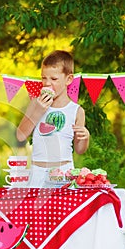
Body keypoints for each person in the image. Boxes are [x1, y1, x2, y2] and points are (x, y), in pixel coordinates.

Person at [16, 50, 90, 187]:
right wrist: (38, 111)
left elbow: (80, 150)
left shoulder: (77, 111)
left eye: (54, 79)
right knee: (35, 209)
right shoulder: (35, 103)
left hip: (64, 174)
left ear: (69, 79)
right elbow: (20, 136)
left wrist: (85, 137)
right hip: (37, 173)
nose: (47, 83)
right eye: (44, 78)